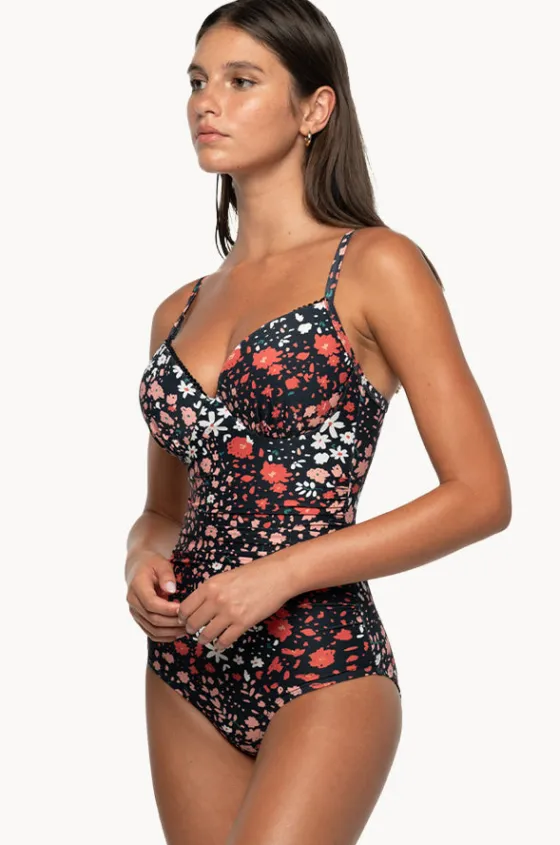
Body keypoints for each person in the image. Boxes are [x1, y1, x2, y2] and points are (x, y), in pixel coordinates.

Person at [126, 1, 512, 842]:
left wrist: (282, 573)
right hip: (185, 662)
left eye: (241, 81)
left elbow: (482, 495)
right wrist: (139, 559)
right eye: (197, 81)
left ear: (314, 108)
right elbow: (163, 511)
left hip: (322, 659)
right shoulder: (176, 311)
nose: (206, 102)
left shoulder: (376, 265)